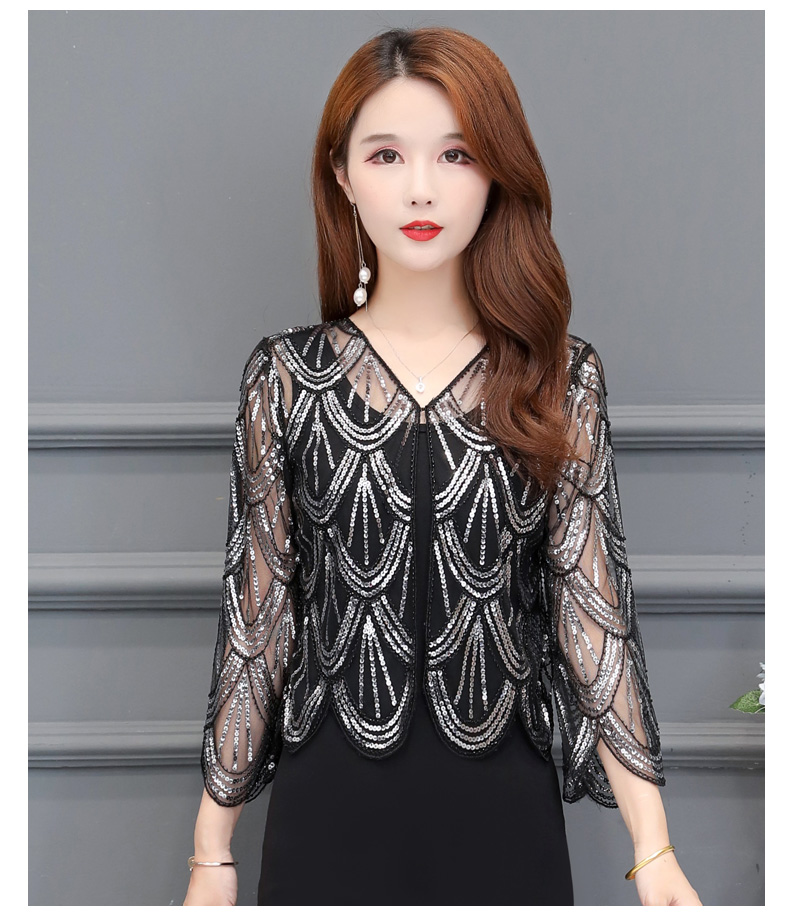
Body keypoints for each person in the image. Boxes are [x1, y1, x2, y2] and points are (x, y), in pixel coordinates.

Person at [183, 26, 702, 907]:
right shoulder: (285, 378)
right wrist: (212, 854)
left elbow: (591, 614)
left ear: (496, 171)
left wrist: (653, 848)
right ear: (342, 176)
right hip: (326, 815)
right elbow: (259, 624)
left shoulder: (559, 377)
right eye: (386, 155)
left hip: (505, 817)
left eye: (456, 154)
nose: (421, 187)